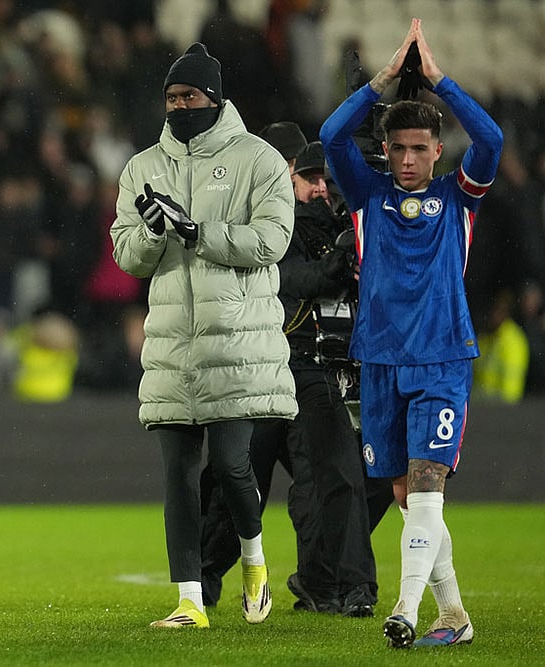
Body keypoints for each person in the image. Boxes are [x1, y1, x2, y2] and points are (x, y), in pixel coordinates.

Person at [320, 19, 503, 648]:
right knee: (404, 491)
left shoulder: (460, 197)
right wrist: (378, 85)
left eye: (419, 149)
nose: (406, 160)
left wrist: (440, 83)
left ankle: (404, 608)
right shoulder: (366, 194)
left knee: (427, 484)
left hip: (443, 357)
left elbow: (492, 136)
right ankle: (454, 616)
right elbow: (330, 135)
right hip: (378, 361)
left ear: (436, 150)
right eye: (398, 149)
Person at [110, 42, 297, 629]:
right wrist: (154, 231)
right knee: (178, 474)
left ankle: (253, 561)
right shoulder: (142, 167)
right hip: (172, 346)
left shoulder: (259, 160)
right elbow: (125, 254)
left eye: (188, 96)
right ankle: (191, 600)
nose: (178, 106)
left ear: (214, 99)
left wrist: (196, 231)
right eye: (170, 97)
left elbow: (272, 240)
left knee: (235, 468)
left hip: (236, 344)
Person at [199, 139, 383, 617]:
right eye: (310, 179)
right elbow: (292, 278)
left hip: (313, 374)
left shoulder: (342, 225)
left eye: (324, 180)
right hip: (267, 375)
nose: (319, 189)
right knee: (237, 487)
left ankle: (327, 584)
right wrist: (338, 260)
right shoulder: (266, 225)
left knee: (331, 483)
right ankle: (203, 578)